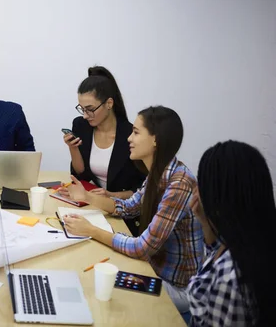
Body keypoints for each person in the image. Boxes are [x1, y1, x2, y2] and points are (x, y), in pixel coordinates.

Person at [58, 106, 203, 313]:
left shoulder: (179, 183)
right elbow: (128, 208)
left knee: (104, 288)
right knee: (98, 279)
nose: (129, 139)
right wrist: (87, 196)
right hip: (153, 270)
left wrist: (91, 230)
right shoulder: (159, 172)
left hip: (179, 289)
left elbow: (141, 248)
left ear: (155, 140)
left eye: (136, 132)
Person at [187, 141, 276, 326]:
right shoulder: (252, 241)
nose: (197, 191)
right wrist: (205, 222)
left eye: (202, 184)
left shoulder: (231, 275)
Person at [64, 66, 145, 235]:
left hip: (122, 215)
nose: (85, 115)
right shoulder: (81, 126)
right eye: (82, 109)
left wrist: (110, 194)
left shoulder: (130, 136)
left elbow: (140, 189)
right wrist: (73, 149)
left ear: (109, 103)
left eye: (90, 109)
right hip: (92, 207)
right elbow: (81, 173)